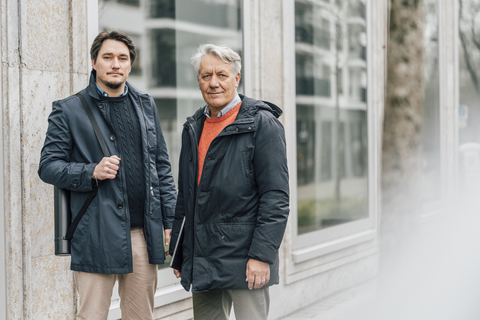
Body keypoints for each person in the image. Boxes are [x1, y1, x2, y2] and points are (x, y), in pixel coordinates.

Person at [38, 31, 176, 320]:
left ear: (130, 65)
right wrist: (91, 171)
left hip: (142, 235)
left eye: (122, 58)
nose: (116, 64)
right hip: (95, 234)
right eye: (108, 57)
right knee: (92, 316)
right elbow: (48, 166)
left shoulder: (146, 104)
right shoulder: (68, 109)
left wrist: (170, 218)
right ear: (94, 62)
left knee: (141, 316)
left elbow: (161, 166)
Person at [169, 44, 289, 320]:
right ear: (198, 80)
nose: (213, 83)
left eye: (222, 75)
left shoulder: (262, 123)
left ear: (236, 78)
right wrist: (180, 249)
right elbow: (186, 195)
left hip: (246, 259)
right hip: (203, 257)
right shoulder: (194, 126)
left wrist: (262, 256)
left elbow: (276, 198)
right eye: (205, 75)